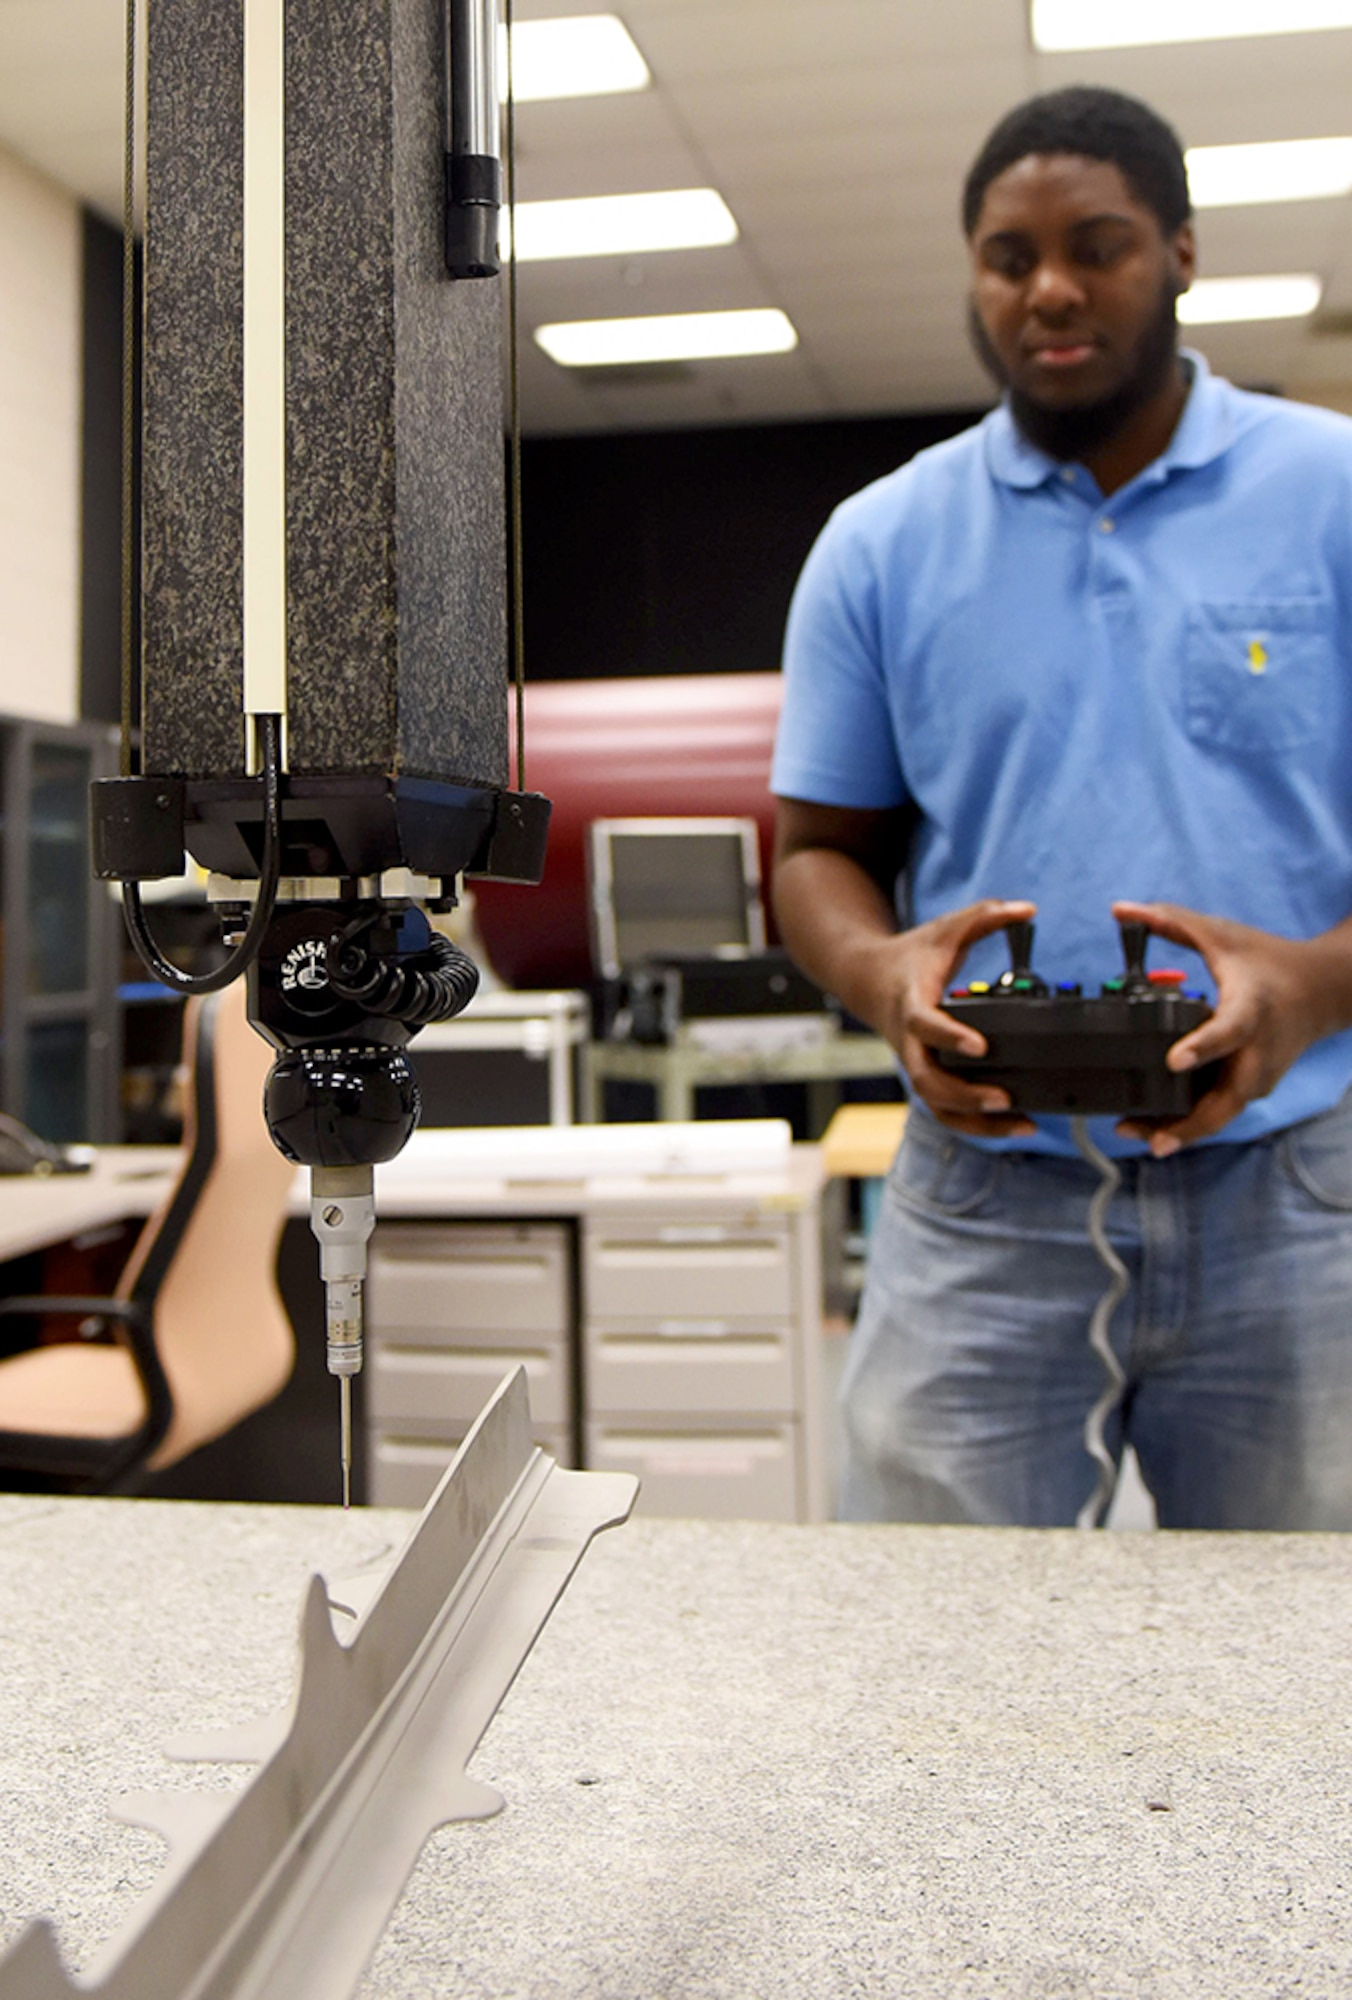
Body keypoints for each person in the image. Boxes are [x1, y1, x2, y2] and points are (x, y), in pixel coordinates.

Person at [770, 85, 1352, 1532]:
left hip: (1297, 1191)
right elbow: (818, 858)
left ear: (1182, 253)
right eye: (1008, 255)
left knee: (1304, 1663)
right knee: (936, 1663)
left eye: (1098, 246)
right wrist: (882, 972)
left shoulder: (1334, 493)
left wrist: (1308, 985)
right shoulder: (882, 542)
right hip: (982, 1199)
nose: (1050, 289)